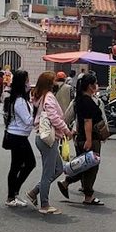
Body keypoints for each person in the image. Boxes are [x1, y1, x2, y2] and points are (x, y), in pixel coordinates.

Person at [25, 71, 72, 215]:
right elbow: (54, 118)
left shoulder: (40, 96)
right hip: (48, 139)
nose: (56, 83)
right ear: (49, 83)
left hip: (45, 137)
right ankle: (44, 204)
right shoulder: (48, 97)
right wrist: (66, 130)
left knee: (58, 169)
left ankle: (34, 192)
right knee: (48, 172)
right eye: (54, 81)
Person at [57, 72, 104, 206]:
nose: (96, 86)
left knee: (83, 164)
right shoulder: (87, 101)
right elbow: (87, 121)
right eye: (94, 83)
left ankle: (66, 182)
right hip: (89, 138)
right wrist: (89, 140)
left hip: (81, 137)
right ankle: (88, 196)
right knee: (91, 167)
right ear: (90, 86)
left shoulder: (79, 100)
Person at [2, 70, 36, 207]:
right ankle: (12, 195)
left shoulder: (22, 99)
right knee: (26, 164)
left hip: (19, 136)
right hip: (17, 137)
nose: (29, 84)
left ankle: (13, 194)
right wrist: (38, 115)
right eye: (27, 81)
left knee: (18, 165)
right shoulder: (19, 101)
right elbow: (28, 120)